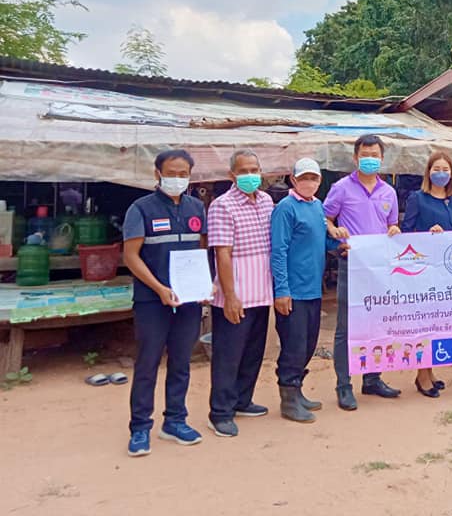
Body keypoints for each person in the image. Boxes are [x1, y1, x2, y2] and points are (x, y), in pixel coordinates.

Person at [123, 149, 207, 457]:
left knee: (182, 361)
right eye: (171, 173)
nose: (177, 179)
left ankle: (175, 421)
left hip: (188, 300)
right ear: (157, 174)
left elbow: (201, 249)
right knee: (148, 363)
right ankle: (140, 427)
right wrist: (159, 288)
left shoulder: (197, 207)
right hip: (151, 300)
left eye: (183, 174)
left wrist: (205, 283)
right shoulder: (140, 209)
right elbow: (131, 256)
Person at [325, 135, 402, 410]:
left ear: (382, 159)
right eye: (365, 154)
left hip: (380, 267)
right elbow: (325, 217)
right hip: (352, 264)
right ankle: (343, 385)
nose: (370, 159)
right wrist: (334, 231)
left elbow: (392, 224)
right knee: (346, 326)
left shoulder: (389, 192)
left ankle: (372, 378)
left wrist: (394, 230)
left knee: (377, 322)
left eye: (375, 155)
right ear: (356, 158)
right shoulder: (341, 188)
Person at [206, 149, 274, 437]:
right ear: (232, 175)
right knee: (228, 355)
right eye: (244, 171)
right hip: (236, 294)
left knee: (253, 351)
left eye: (254, 170)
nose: (250, 175)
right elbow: (222, 254)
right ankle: (220, 412)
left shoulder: (267, 201)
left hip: (262, 291)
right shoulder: (222, 206)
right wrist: (230, 296)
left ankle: (243, 400)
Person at [271, 157, 344, 423]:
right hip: (293, 291)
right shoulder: (285, 208)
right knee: (293, 345)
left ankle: (297, 390)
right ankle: (288, 399)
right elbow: (278, 251)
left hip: (313, 289)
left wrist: (338, 244)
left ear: (319, 181)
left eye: (313, 178)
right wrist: (282, 290)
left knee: (309, 344)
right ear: (293, 179)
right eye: (304, 178)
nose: (309, 182)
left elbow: (321, 240)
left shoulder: (317, 206)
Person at [401, 150, 452, 398]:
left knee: (440, 322)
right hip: (424, 270)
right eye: (436, 169)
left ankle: (430, 370)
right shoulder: (417, 198)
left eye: (445, 170)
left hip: (447, 270)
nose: (441, 174)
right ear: (428, 172)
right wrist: (427, 235)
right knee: (425, 322)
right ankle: (422, 375)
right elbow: (406, 233)